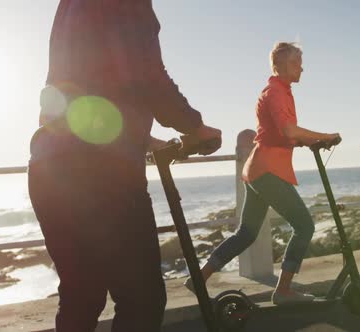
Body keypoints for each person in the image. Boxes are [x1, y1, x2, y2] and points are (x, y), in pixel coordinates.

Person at [27, 1, 221, 331]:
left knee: (81, 295)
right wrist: (196, 127)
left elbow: (77, 93)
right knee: (141, 299)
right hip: (104, 176)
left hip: (49, 167)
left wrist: (144, 140)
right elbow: (147, 75)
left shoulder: (70, 7)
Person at [185, 42, 340, 305]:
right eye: (295, 63)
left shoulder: (282, 91)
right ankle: (284, 291)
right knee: (304, 226)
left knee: (246, 233)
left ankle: (199, 277)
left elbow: (284, 134)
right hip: (268, 171)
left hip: (258, 170)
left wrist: (311, 141)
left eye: (300, 63)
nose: (301, 67)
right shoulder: (276, 92)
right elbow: (290, 131)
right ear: (278, 66)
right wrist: (325, 136)